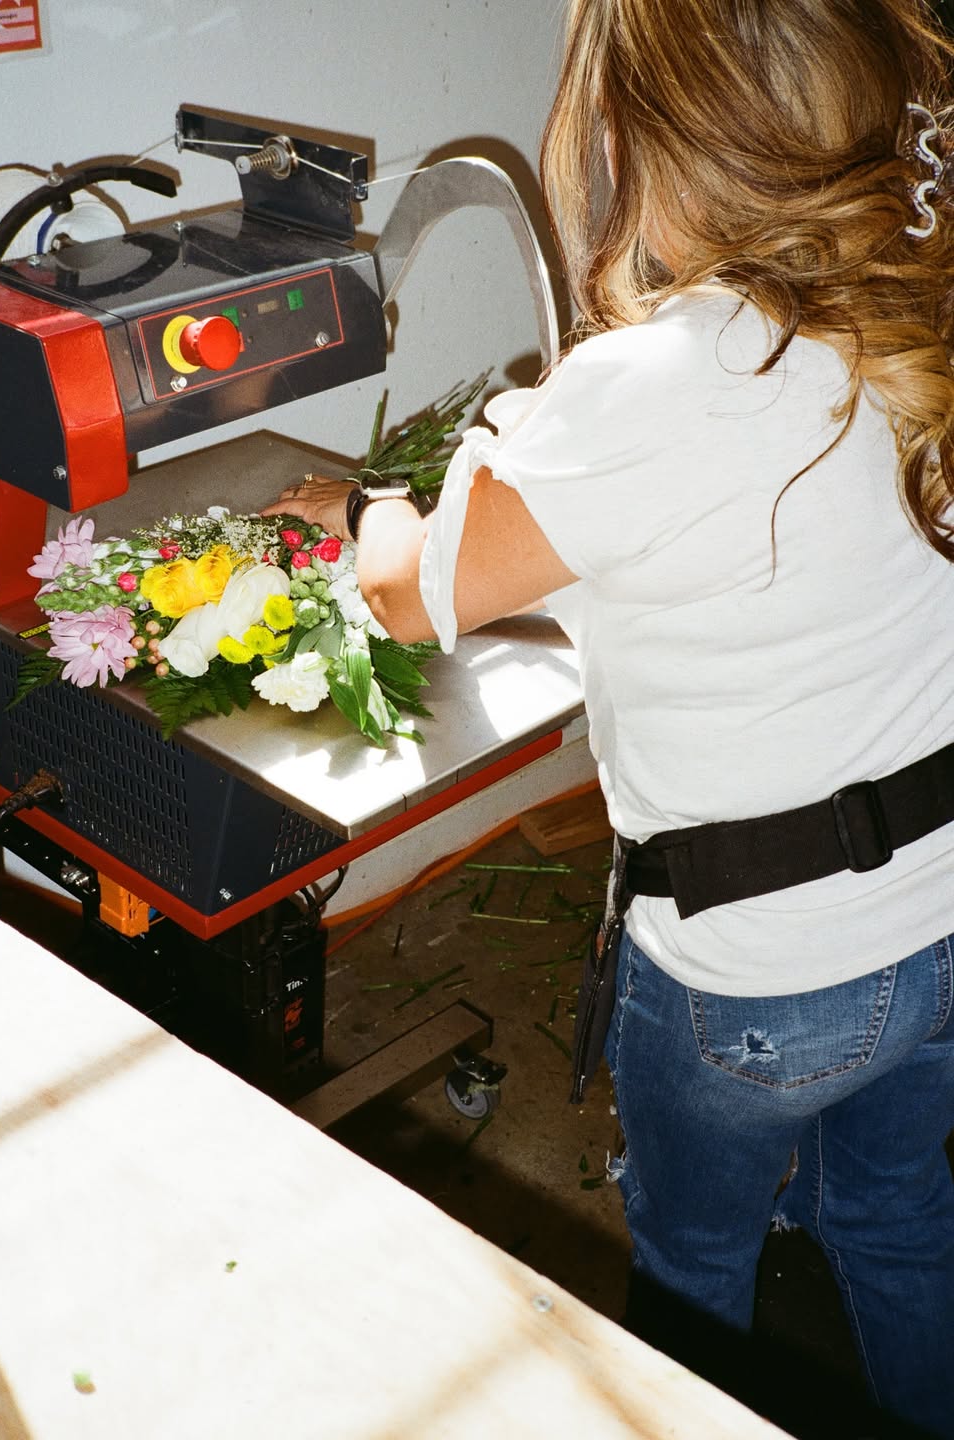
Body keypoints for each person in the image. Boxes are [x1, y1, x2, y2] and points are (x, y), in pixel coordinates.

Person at [265, 2, 954, 1434]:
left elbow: (411, 596)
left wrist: (400, 495)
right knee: (896, 1222)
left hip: (747, 978)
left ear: (654, 138)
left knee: (693, 1256)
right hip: (936, 927)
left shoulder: (657, 378)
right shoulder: (916, 308)